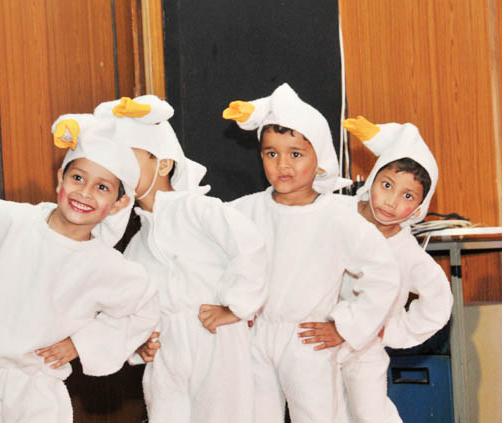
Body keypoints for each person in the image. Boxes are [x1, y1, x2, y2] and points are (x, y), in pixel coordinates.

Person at [0, 114, 159, 423]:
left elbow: (145, 306)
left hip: (36, 388)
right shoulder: (19, 222)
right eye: (77, 178)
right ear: (60, 178)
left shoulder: (104, 266)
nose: (85, 193)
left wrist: (81, 345)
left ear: (118, 204)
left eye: (102, 187)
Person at [223, 83, 400, 423]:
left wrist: (345, 327)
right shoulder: (244, 211)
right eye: (271, 154)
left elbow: (383, 273)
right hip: (254, 335)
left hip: (308, 338)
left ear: (320, 160)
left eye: (296, 154)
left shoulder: (337, 216)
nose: (282, 164)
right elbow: (205, 251)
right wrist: (232, 307)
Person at [94, 95, 268, 423]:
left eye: (129, 159)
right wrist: (138, 345)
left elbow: (250, 247)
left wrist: (235, 307)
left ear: (163, 164)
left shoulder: (198, 209)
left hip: (213, 336)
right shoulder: (137, 244)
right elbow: (129, 303)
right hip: (167, 349)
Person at [335, 116, 453, 423]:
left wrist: (393, 330)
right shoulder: (335, 214)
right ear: (372, 180)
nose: (391, 202)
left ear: (419, 207)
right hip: (318, 340)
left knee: (371, 414)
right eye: (387, 185)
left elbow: (438, 303)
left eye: (407, 196)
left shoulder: (408, 253)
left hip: (365, 350)